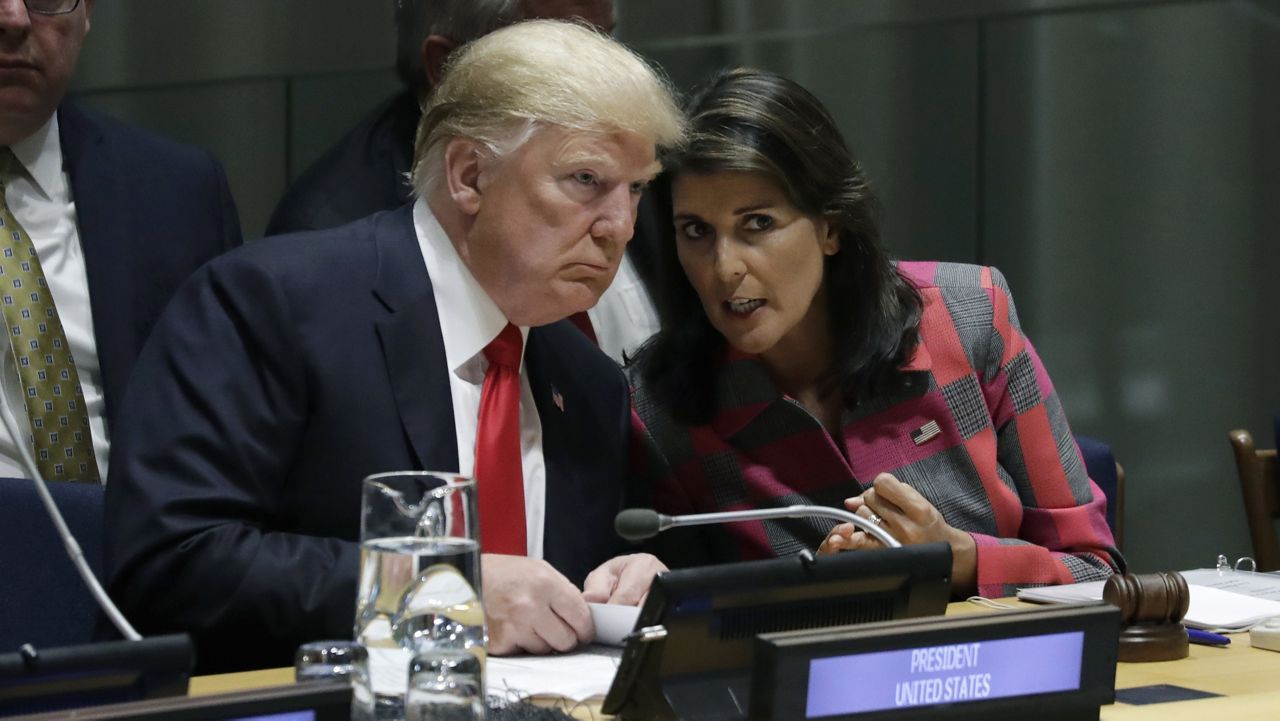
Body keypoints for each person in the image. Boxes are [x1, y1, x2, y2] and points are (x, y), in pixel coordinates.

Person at [104, 20, 684, 673]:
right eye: (585, 179)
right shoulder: (272, 304)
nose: (621, 227)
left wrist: (624, 582)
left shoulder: (588, 381)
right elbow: (171, 559)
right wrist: (440, 592)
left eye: (635, 189)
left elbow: (541, 598)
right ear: (469, 174)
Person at [629, 68, 1123, 599]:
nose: (723, 268)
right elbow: (684, 620)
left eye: (758, 224)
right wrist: (811, 596)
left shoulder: (968, 313)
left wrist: (957, 558)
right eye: (696, 231)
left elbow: (1096, 573)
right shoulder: (658, 407)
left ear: (831, 227)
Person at [267, 0, 661, 363]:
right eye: (563, 56)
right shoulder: (329, 237)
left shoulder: (641, 156)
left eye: (606, 43)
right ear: (449, 63)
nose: (621, 226)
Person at [0, 0, 240, 482]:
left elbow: (235, 429)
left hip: (141, 541)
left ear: (85, 14)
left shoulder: (178, 191)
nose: (14, 17)